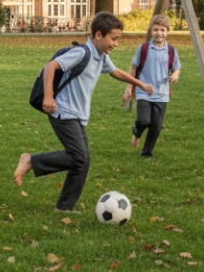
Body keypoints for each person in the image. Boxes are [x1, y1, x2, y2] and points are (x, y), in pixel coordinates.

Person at [13, 12, 153, 211]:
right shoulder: (82, 53)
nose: (116, 43)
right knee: (78, 156)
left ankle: (64, 207)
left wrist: (139, 84)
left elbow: (116, 72)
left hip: (78, 115)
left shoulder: (101, 57)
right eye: (113, 38)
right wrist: (48, 97)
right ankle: (30, 161)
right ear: (98, 35)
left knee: (82, 161)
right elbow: (50, 66)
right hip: (62, 112)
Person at [122, 14, 181, 157]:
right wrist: (129, 89)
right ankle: (137, 132)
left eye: (162, 30)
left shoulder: (171, 50)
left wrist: (175, 75)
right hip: (144, 92)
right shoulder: (143, 48)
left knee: (156, 126)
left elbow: (176, 67)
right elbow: (133, 69)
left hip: (162, 94)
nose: (159, 33)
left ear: (167, 32)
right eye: (156, 30)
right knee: (144, 120)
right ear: (151, 31)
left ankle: (146, 153)